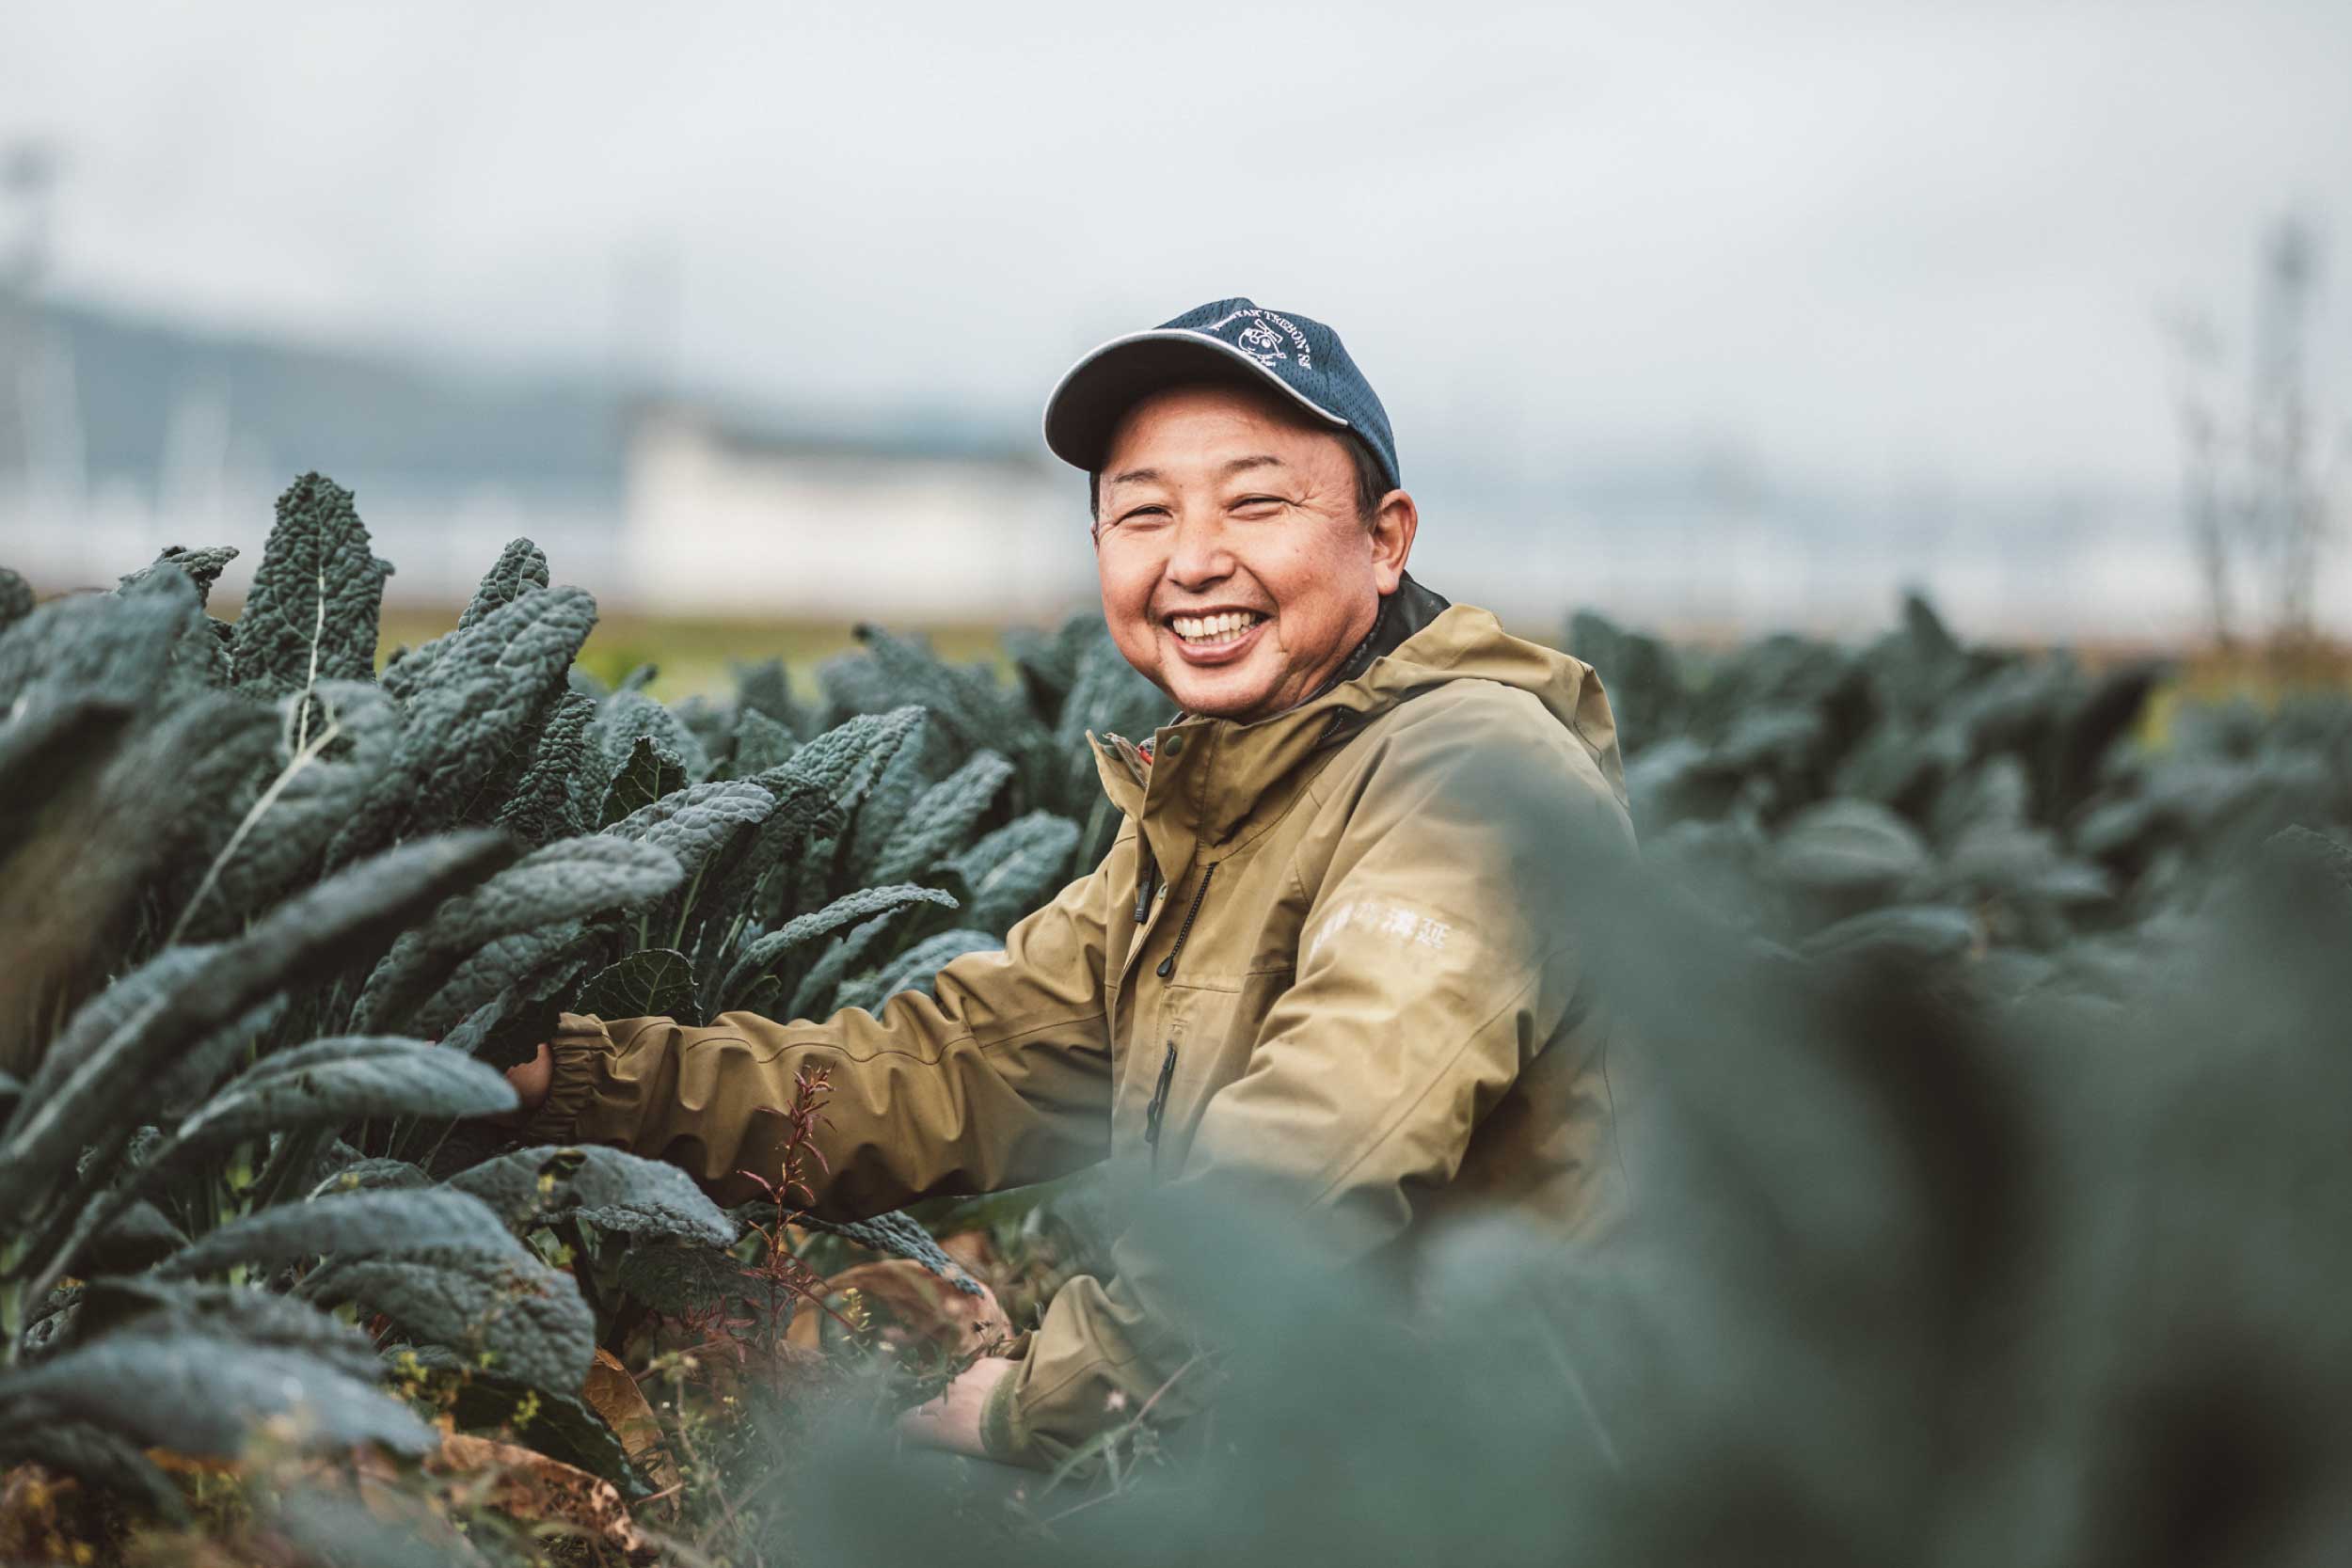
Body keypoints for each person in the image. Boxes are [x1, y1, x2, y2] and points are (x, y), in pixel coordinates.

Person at [504, 297, 1636, 1471]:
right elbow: (945, 1071)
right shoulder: (1221, 804)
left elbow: (1319, 1144)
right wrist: (573, 1079)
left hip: (1493, 1481)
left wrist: (1048, 1396)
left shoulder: (1475, 769)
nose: (1193, 560)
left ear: (1386, 536)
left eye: (1256, 501)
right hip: (1300, 1459)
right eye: (1142, 512)